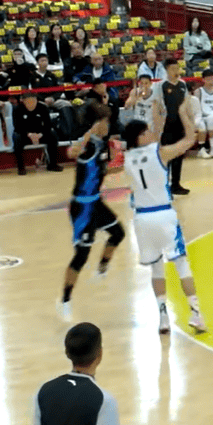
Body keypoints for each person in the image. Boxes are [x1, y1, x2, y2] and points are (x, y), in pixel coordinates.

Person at [121, 102, 207, 334]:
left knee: (156, 270)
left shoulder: (127, 158)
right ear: (140, 136)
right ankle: (196, 314)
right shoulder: (160, 152)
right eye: (146, 131)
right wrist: (182, 113)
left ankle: (163, 318)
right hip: (163, 215)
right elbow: (190, 139)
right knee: (182, 264)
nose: (151, 133)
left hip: (141, 219)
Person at [59, 102, 125, 318]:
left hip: (96, 202)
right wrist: (89, 132)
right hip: (82, 207)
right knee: (81, 256)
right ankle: (65, 300)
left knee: (118, 233)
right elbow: (72, 152)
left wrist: (128, 165)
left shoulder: (103, 145)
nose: (109, 125)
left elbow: (103, 169)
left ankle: (102, 268)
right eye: (105, 121)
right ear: (97, 123)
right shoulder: (87, 145)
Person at [159, 59, 192, 195]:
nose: (176, 71)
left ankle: (176, 185)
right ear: (167, 70)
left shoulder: (183, 84)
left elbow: (187, 104)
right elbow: (157, 106)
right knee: (166, 156)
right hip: (166, 126)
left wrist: (189, 122)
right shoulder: (161, 85)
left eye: (177, 68)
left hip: (180, 125)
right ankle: (164, 185)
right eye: (172, 69)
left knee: (179, 155)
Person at [13, 91, 63, 176]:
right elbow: (17, 127)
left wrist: (40, 135)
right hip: (25, 135)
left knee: (53, 136)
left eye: (33, 101)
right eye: (28, 101)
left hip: (41, 134)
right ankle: (21, 167)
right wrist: (29, 135)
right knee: (16, 137)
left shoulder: (43, 108)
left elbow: (48, 125)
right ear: (23, 101)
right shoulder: (17, 109)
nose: (31, 103)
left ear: (37, 100)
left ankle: (52, 164)